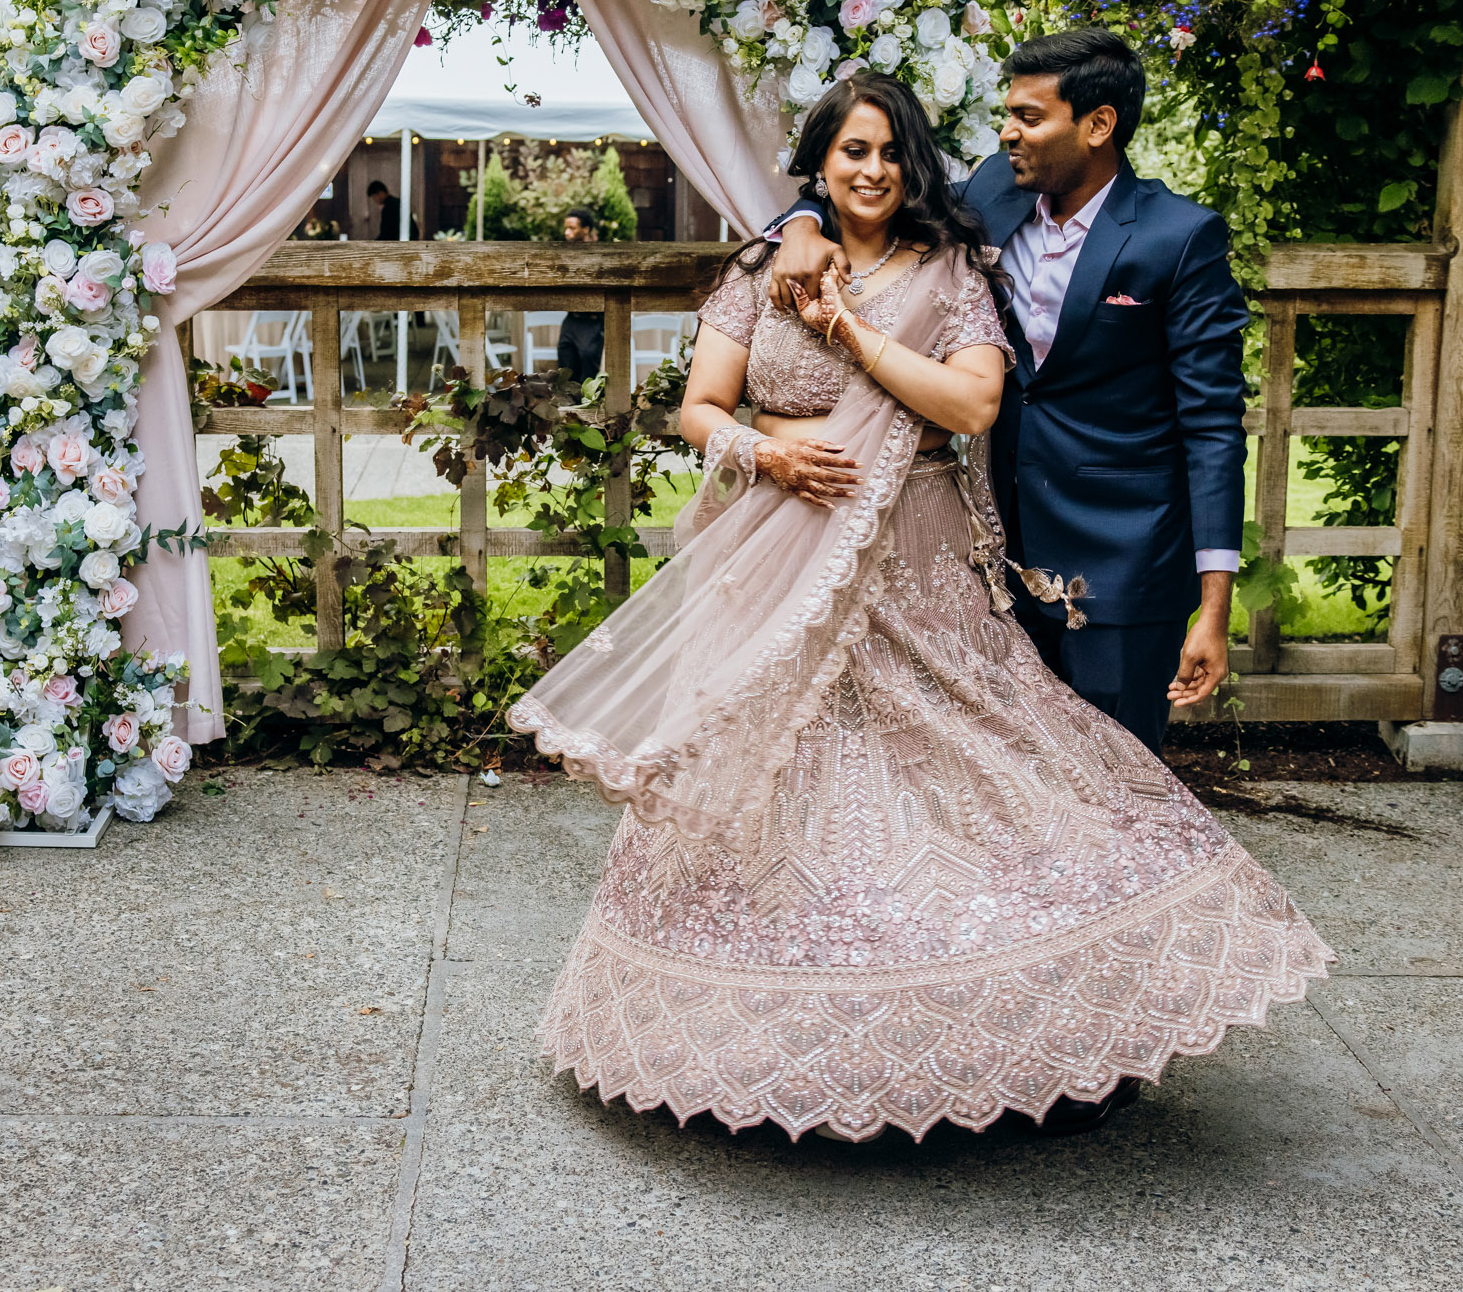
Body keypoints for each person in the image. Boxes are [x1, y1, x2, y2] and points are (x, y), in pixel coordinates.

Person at [509, 71, 1333, 1144]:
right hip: (774, 562)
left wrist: (848, 326)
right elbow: (696, 407)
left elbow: (973, 402)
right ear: (819, 161)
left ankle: (1022, 1033)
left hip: (918, 559)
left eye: (892, 152)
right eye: (852, 151)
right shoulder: (765, 262)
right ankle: (770, 1044)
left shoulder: (950, 264)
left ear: (918, 166)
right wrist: (764, 450)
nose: (873, 170)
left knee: (966, 768)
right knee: (779, 780)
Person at [765, 28, 1245, 759]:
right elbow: (863, 197)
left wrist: (1214, 608)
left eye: (1028, 116)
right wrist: (799, 222)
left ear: (1098, 124)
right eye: (1007, 113)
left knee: (1115, 776)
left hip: (1123, 562)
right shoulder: (995, 189)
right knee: (1014, 779)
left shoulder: (1179, 237)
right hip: (994, 553)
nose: (1006, 131)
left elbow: (1213, 427)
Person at [554, 206, 606, 382]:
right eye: (566, 228)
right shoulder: (564, 254)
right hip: (571, 319)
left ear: (585, 229)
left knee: (587, 375)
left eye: (572, 228)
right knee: (565, 371)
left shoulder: (599, 255)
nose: (567, 233)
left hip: (592, 321)